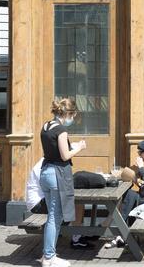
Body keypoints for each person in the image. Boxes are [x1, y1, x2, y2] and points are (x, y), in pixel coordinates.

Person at [39, 98, 87, 267]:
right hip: (57, 174)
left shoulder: (46, 126)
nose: (72, 119)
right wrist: (79, 148)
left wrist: (69, 147)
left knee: (51, 216)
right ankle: (49, 256)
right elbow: (65, 156)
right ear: (68, 113)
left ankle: (48, 254)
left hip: (45, 172)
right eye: (72, 115)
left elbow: (54, 149)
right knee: (55, 217)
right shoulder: (61, 130)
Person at [25, 157, 90, 249]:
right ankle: (77, 238)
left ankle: (76, 233)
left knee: (73, 201)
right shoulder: (47, 166)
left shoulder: (49, 162)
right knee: (76, 203)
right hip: (37, 203)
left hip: (42, 199)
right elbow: (56, 186)